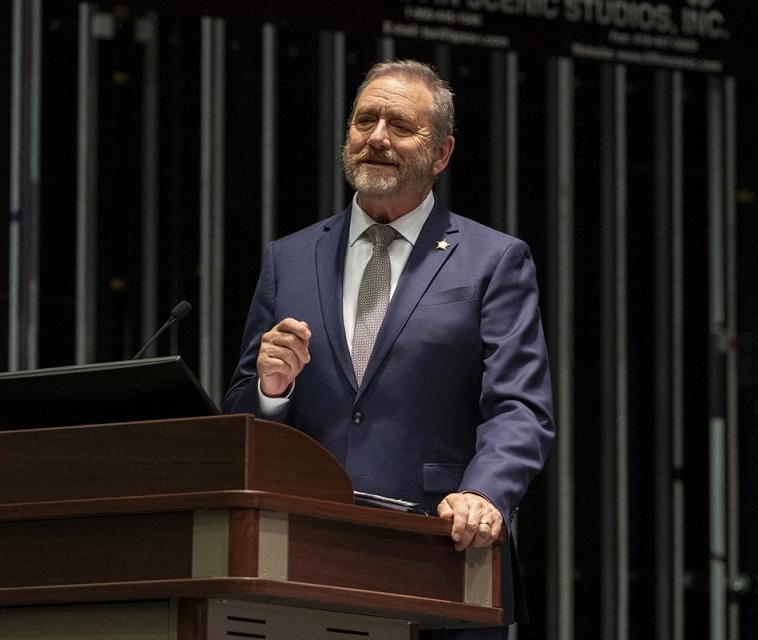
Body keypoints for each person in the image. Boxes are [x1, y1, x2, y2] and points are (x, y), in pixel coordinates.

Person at [222, 59, 554, 639]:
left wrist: (484, 492)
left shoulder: (493, 261)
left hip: (440, 559)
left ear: (442, 153)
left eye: (400, 125)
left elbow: (519, 408)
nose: (376, 137)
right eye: (364, 121)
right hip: (302, 564)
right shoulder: (289, 258)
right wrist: (272, 392)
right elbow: (241, 416)